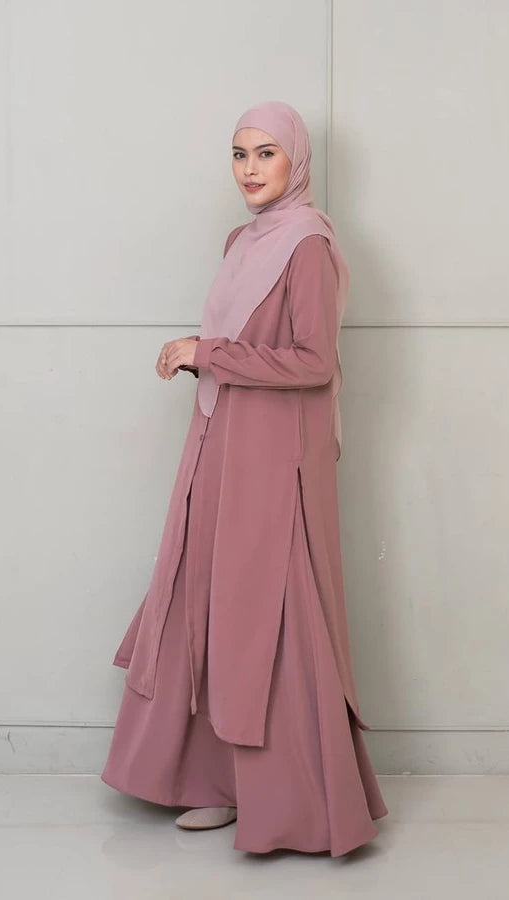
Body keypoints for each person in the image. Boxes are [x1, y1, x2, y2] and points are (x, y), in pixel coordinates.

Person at [100, 100, 387, 857]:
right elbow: (237, 344)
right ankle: (214, 782)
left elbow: (312, 361)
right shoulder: (242, 241)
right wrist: (202, 360)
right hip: (221, 440)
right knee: (208, 599)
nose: (250, 170)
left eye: (266, 153)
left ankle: (291, 801)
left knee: (271, 611)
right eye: (239, 154)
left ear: (297, 160)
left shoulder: (309, 245)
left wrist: (209, 353)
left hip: (277, 458)